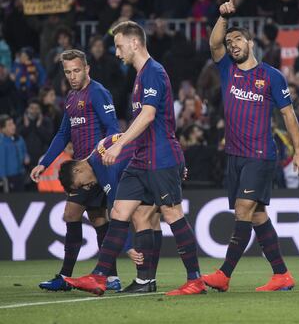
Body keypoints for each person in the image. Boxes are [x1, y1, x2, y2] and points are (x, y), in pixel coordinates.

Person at [64, 21, 206, 296]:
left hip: (161, 157)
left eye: (119, 46)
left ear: (135, 43)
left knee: (171, 213)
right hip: (142, 159)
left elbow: (149, 115)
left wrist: (119, 145)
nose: (117, 53)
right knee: (121, 211)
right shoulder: (141, 76)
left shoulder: (153, 72)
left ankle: (195, 279)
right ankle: (103, 277)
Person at [202, 0, 299, 292]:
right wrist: (223, 17)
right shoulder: (227, 70)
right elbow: (213, 44)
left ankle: (224, 275)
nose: (232, 44)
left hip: (260, 155)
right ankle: (281, 275)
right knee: (257, 215)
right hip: (234, 155)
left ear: (250, 43)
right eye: (229, 41)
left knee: (243, 210)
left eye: (237, 39)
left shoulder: (271, 76)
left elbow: (288, 114)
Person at [30, 49, 123, 292]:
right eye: (68, 72)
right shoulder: (71, 97)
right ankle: (111, 277)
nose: (72, 76)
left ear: (87, 69)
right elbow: (63, 134)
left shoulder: (98, 93)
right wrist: (44, 163)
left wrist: (103, 158)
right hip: (82, 170)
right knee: (98, 218)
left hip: (95, 170)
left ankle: (65, 277)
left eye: (76, 70)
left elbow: (113, 128)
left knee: (72, 215)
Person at [58, 134, 161, 293]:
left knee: (145, 215)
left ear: (78, 169)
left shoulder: (103, 167)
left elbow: (118, 208)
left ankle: (107, 275)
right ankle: (148, 279)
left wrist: (128, 247)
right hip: (158, 158)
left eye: (81, 185)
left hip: (152, 163)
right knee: (153, 218)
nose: (86, 188)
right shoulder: (98, 152)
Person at [0, 114, 29, 192]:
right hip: (7, 177)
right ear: (2, 129)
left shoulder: (19, 139)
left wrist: (26, 157)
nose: (13, 126)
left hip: (20, 174)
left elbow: (25, 152)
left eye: (13, 123)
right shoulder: (1, 142)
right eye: (9, 125)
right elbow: (1, 162)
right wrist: (3, 178)